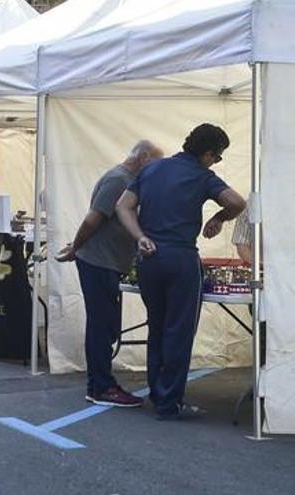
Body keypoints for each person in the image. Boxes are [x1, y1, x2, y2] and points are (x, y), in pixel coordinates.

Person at [116, 124, 246, 420]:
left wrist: (140, 237)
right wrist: (219, 218)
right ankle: (169, 402)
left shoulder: (152, 169)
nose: (216, 162)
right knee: (179, 331)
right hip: (181, 258)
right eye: (218, 156)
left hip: (149, 258)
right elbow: (237, 202)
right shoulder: (203, 176)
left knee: (157, 327)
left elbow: (123, 206)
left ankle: (157, 393)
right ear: (208, 153)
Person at [56, 140, 164, 407]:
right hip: (98, 261)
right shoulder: (118, 180)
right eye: (155, 163)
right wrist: (76, 247)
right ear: (143, 157)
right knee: (102, 326)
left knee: (107, 325)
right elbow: (93, 218)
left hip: (108, 262)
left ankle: (100, 383)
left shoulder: (128, 180)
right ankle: (101, 387)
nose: (157, 170)